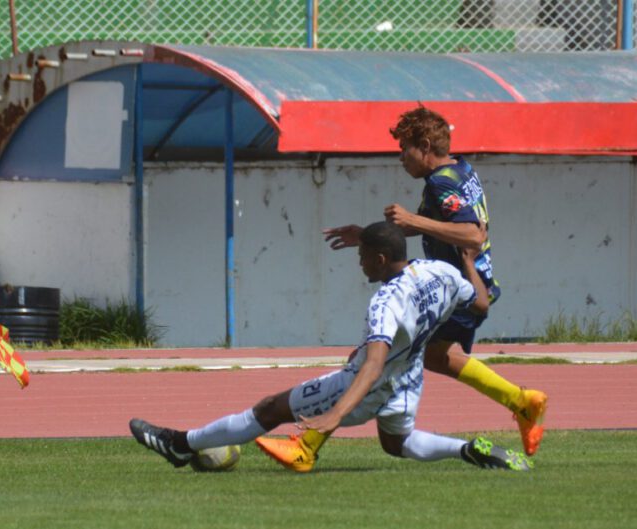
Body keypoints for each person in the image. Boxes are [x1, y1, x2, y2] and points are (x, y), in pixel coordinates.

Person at [130, 222, 532, 473]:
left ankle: (179, 444)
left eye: (362, 257)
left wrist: (334, 416)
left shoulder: (386, 302)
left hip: (367, 383)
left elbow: (372, 366)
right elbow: (481, 303)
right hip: (408, 378)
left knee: (271, 408)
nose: (359, 265)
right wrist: (469, 265)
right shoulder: (439, 273)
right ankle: (471, 450)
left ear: (379, 259)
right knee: (397, 445)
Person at [322, 106, 546, 456]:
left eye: (404, 148)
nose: (400, 158)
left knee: (385, 351)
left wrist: (412, 219)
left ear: (424, 145)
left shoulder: (441, 182)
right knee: (433, 356)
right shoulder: (460, 169)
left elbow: (472, 234)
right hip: (460, 285)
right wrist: (367, 234)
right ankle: (521, 401)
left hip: (459, 290)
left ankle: (322, 428)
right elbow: (433, 225)